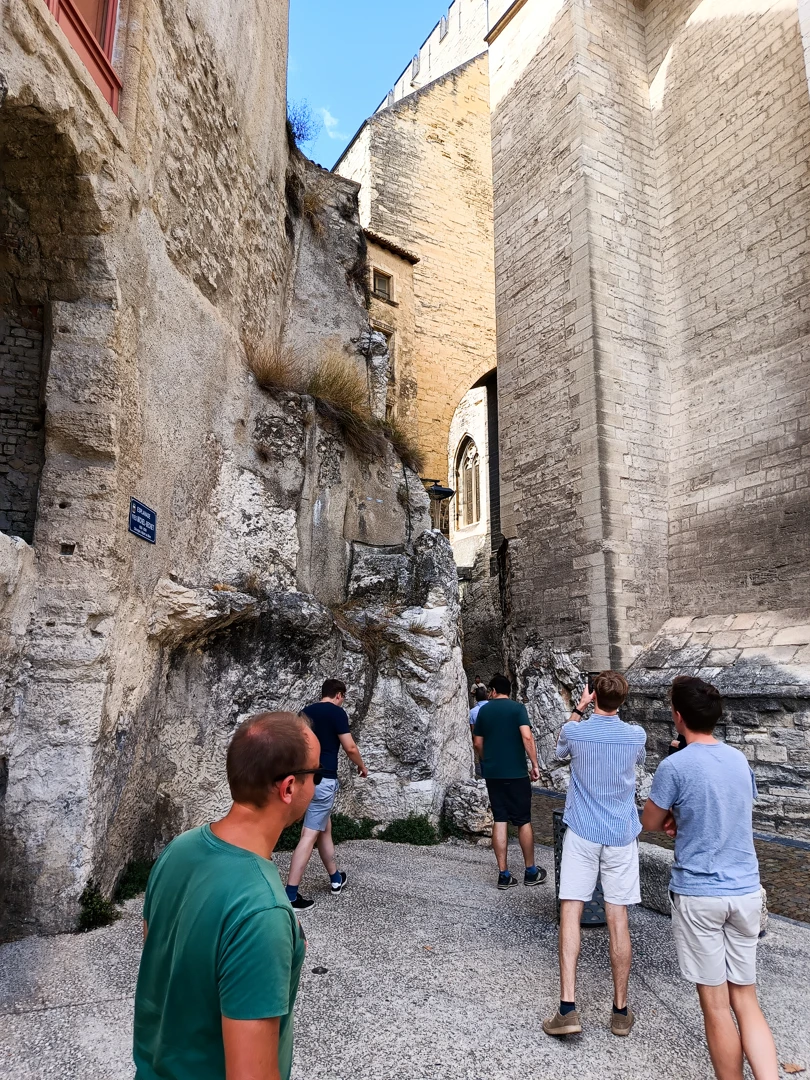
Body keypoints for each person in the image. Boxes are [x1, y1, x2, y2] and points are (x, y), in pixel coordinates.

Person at [133, 711, 320, 1080]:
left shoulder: (178, 850)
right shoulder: (262, 912)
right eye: (316, 773)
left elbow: (162, 959)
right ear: (288, 788)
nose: (318, 783)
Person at [641, 677, 778, 1080]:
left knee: (716, 1005)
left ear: (678, 717)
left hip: (700, 893)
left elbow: (649, 821)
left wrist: (673, 816)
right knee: (746, 1000)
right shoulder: (738, 760)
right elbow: (730, 809)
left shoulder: (674, 766)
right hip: (746, 891)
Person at [543, 670, 646, 1039]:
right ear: (623, 699)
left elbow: (557, 755)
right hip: (620, 835)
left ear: (593, 696)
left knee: (571, 911)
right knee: (618, 919)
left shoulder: (576, 731)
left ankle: (567, 1008)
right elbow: (639, 762)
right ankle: (619, 1012)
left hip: (582, 832)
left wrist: (578, 709)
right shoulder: (636, 735)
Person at [285, 679, 368, 911]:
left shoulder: (305, 712)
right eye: (343, 698)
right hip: (324, 780)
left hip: (304, 780)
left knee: (324, 828)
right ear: (339, 695)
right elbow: (350, 747)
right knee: (308, 835)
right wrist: (361, 766)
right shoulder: (337, 713)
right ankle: (290, 895)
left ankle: (335, 878)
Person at [472, 674, 546, 890]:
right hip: (516, 773)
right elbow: (527, 736)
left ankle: (503, 875)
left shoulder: (484, 711)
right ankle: (531, 871)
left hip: (494, 774)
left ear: (493, 691)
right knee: (523, 820)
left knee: (500, 819)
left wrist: (486, 760)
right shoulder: (517, 709)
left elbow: (477, 743)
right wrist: (534, 764)